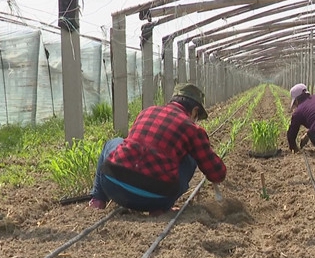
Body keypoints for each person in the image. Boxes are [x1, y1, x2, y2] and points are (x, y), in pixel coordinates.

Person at [88, 83, 226, 215]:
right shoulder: (192, 128)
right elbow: (217, 174)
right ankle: (159, 210)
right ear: (195, 110)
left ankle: (98, 199)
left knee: (114, 142)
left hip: (112, 186)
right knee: (190, 158)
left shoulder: (147, 112)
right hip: (156, 199)